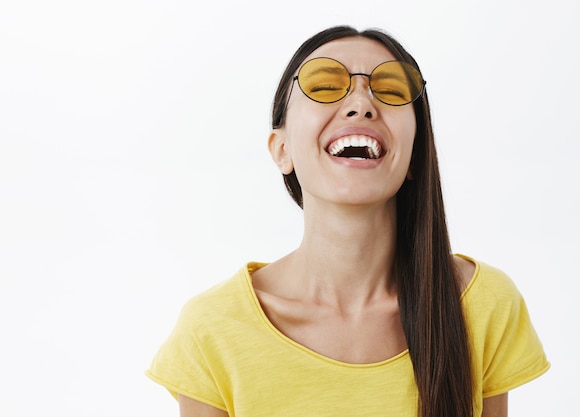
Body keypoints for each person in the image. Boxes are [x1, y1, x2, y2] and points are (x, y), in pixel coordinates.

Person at [147, 25, 549, 417]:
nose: (362, 104)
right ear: (282, 149)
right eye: (324, 86)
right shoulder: (212, 330)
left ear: (415, 153)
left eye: (390, 90)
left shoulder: (484, 305)